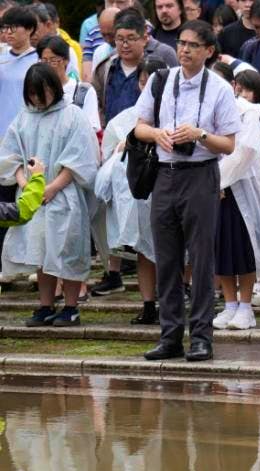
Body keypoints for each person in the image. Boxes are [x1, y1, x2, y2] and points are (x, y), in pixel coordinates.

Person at [134, 20, 243, 363]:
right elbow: (139, 127)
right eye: (181, 43)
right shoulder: (160, 79)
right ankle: (170, 336)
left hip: (200, 175)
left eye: (193, 45)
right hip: (164, 175)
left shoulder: (220, 88)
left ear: (209, 51)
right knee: (166, 259)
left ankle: (201, 337)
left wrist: (198, 134)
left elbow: (228, 144)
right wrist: (159, 135)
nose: (184, 49)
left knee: (201, 258)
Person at [0, 64, 99, 328]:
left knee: (66, 249)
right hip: (33, 197)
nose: (36, 99)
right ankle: (45, 305)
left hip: (63, 194)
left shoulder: (72, 116)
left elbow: (81, 157)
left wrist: (53, 186)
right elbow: (11, 156)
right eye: (31, 93)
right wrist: (24, 182)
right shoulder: (23, 117)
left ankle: (70, 306)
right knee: (41, 252)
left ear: (53, 88)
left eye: (41, 92)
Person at [95, 57, 169, 326]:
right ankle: (148, 304)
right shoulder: (124, 120)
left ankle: (177, 298)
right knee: (144, 251)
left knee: (174, 249)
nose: (146, 86)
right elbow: (109, 162)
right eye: (142, 80)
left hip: (169, 191)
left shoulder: (176, 114)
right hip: (138, 196)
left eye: (152, 81)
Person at [210, 67, 260, 331]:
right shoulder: (208, 113)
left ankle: (246, 306)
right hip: (216, 191)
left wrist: (217, 180)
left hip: (242, 189)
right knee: (223, 249)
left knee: (244, 248)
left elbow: (245, 153)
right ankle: (229, 305)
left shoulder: (249, 112)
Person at [37, 36, 101, 132]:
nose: (48, 66)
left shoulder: (83, 91)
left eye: (53, 60)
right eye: (44, 61)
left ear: (66, 60)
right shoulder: (36, 90)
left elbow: (91, 128)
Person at [0, 6, 40, 137]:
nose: (8, 32)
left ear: (29, 29)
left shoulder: (39, 60)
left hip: (29, 130)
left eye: (14, 27)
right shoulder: (2, 57)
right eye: (5, 27)